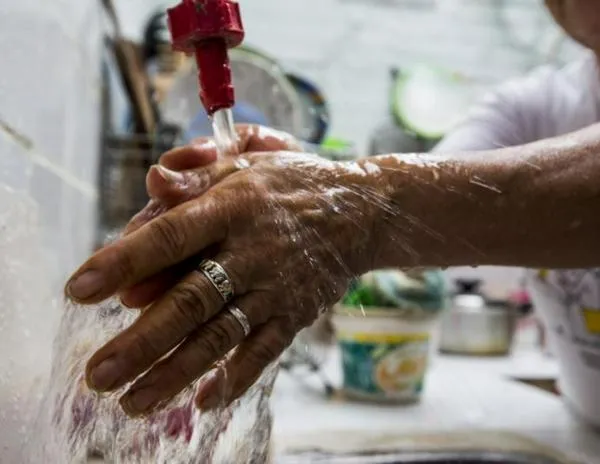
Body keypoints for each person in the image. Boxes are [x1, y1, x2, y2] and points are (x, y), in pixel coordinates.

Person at [65, 117, 600, 418]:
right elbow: (451, 200)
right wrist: (295, 179)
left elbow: (395, 201)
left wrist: (352, 205)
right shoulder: (531, 105)